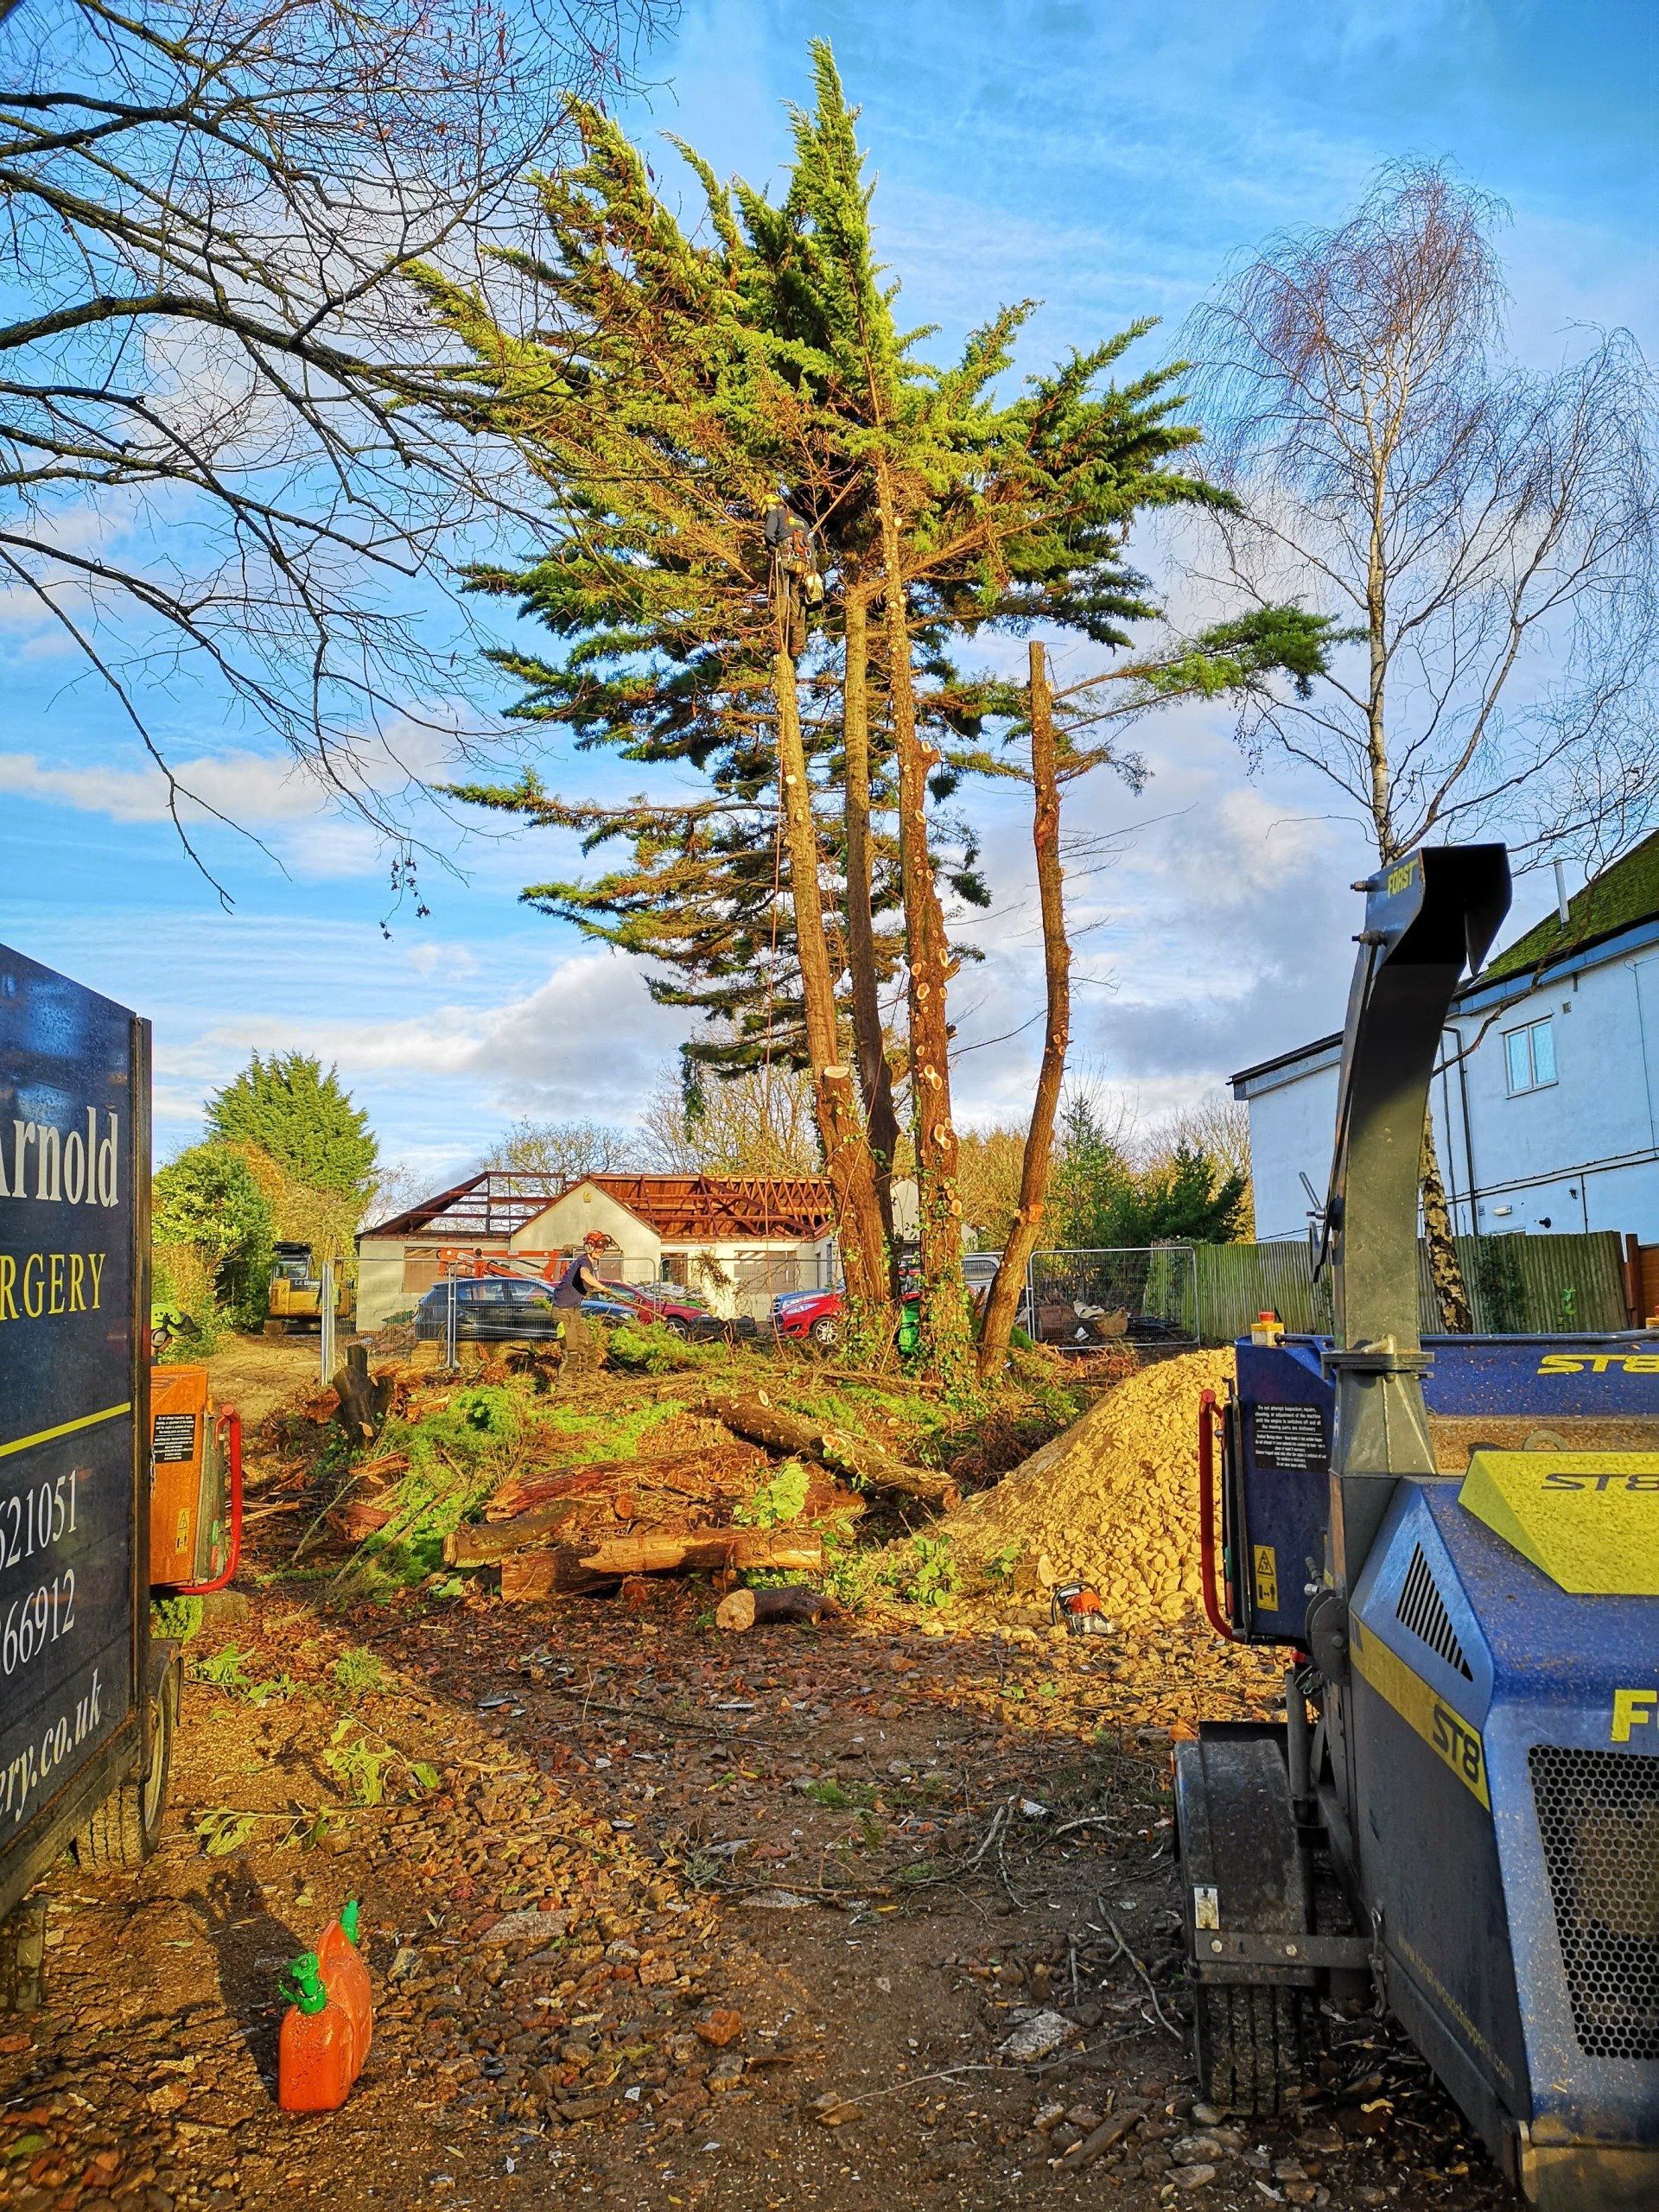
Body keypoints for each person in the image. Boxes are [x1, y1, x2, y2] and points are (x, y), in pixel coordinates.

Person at [551, 1233, 608, 1371]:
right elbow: (585, 1275)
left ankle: (589, 1378)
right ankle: (564, 1383)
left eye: (602, 1248)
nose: (600, 1251)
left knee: (588, 1346)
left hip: (573, 1311)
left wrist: (595, 1290)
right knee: (571, 1353)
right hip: (562, 1313)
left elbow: (581, 1283)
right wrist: (602, 1287)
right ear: (589, 1247)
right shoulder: (584, 1262)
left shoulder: (587, 1263)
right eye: (597, 1247)